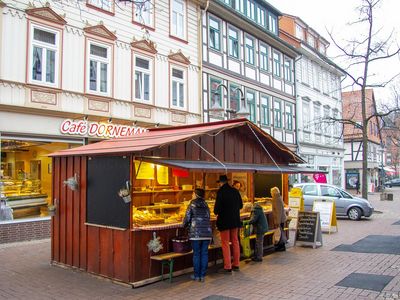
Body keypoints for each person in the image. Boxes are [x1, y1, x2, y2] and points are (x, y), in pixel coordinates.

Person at [214, 175, 243, 273]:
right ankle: (236, 264)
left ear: (220, 183)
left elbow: (216, 210)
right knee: (235, 241)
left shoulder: (221, 192)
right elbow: (241, 205)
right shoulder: (235, 191)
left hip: (224, 221)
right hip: (235, 220)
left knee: (225, 243)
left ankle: (228, 266)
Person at [183, 188, 212, 282]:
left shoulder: (192, 204)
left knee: (196, 254)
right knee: (204, 253)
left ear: (195, 194)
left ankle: (196, 275)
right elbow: (208, 216)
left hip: (195, 233)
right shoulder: (206, 204)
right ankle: (202, 275)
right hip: (206, 233)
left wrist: (184, 225)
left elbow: (187, 217)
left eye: (193, 193)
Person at [271, 187, 287, 251]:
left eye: (271, 192)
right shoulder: (278, 197)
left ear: (273, 193)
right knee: (280, 232)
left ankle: (281, 246)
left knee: (280, 233)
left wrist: (277, 222)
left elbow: (278, 211)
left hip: (280, 219)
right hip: (281, 219)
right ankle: (281, 246)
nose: (271, 194)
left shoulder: (276, 199)